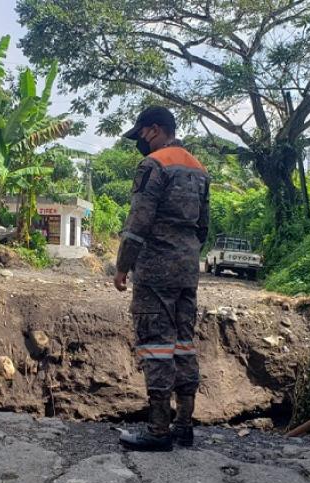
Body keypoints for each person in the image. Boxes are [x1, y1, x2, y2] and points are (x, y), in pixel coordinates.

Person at [113, 106, 210, 451]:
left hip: (155, 269)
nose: (138, 140)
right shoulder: (199, 169)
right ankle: (184, 426)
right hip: (187, 269)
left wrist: (123, 265)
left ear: (154, 130)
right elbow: (203, 227)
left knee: (156, 345)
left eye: (139, 134)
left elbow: (138, 222)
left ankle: (158, 430)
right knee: (184, 343)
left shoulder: (153, 165)